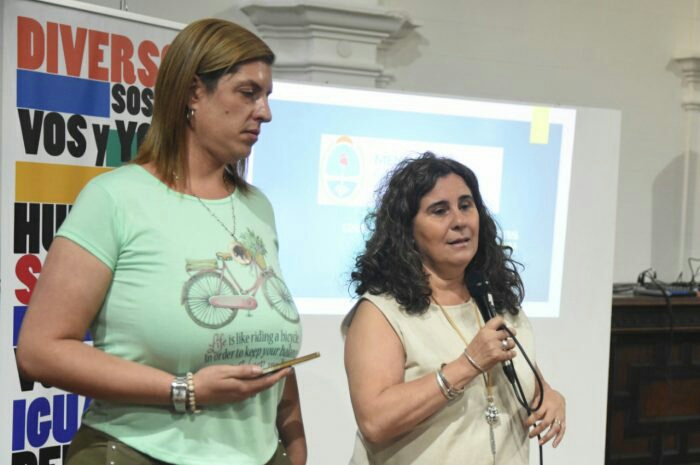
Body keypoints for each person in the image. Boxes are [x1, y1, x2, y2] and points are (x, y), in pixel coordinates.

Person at [17, 18, 306, 465]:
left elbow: (270, 346)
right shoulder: (115, 198)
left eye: (267, 96)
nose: (265, 112)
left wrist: (295, 446)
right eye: (248, 93)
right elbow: (41, 351)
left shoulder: (258, 207)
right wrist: (184, 390)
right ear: (193, 93)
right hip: (138, 453)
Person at [343, 152, 566, 465]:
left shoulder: (493, 298)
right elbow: (375, 421)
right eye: (440, 211)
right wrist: (467, 365)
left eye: (466, 205)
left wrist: (549, 396)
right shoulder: (381, 312)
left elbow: (526, 378)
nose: (459, 221)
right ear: (407, 231)